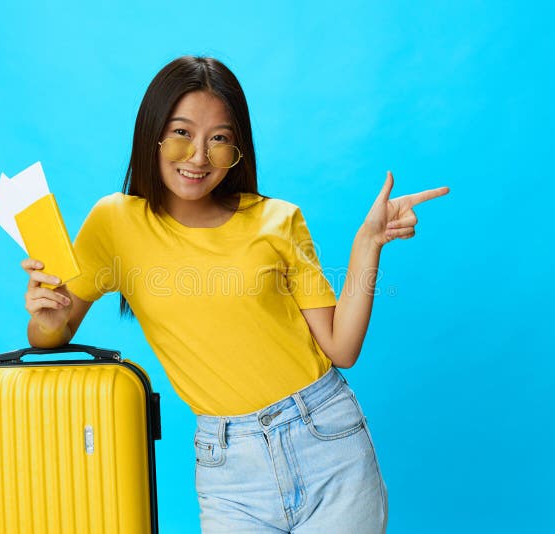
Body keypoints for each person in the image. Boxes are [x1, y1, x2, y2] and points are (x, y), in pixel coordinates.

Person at [22, 55, 449, 533]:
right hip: (229, 470)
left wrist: (367, 243)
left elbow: (341, 347)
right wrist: (46, 314)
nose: (199, 157)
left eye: (219, 139)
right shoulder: (114, 223)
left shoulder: (278, 220)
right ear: (152, 135)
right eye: (182, 132)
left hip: (327, 439)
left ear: (238, 149)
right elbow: (49, 336)